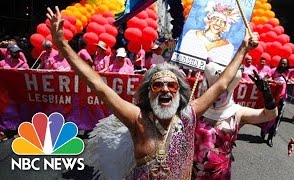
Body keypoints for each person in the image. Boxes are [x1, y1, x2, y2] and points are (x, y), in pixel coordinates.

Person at [46, 6, 258, 179]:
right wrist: (63, 45)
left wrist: (243, 50)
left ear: (179, 93)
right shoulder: (136, 119)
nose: (165, 88)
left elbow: (221, 85)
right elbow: (98, 86)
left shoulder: (189, 116)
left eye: (171, 85)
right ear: (149, 93)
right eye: (158, 85)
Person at [193, 64, 277, 178]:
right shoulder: (194, 107)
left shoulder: (237, 112)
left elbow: (270, 114)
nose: (218, 93)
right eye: (215, 88)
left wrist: (267, 94)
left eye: (222, 89)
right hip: (193, 172)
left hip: (220, 175)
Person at [178, 1, 240, 66]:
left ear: (225, 26)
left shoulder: (228, 47)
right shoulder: (191, 34)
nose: (218, 23)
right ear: (209, 20)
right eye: (216, 19)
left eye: (223, 22)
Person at [260, 58, 293, 147]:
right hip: (272, 97)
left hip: (282, 99)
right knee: (268, 115)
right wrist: (272, 81)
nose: (283, 65)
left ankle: (270, 138)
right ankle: (263, 129)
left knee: (277, 118)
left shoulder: (288, 72)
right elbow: (264, 78)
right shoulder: (274, 70)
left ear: (287, 65)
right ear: (279, 63)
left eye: (285, 64)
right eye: (282, 63)